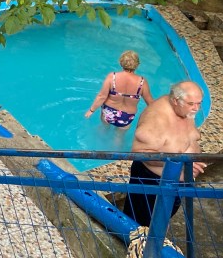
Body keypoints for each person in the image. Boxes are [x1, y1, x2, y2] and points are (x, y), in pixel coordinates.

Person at [122, 80, 207, 227]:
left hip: (173, 184)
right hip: (153, 183)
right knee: (140, 224)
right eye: (191, 104)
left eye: (199, 103)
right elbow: (138, 153)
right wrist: (180, 164)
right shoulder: (156, 119)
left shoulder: (184, 110)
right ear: (175, 100)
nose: (196, 108)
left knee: (158, 222)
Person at [84, 50, 155, 127]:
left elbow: (101, 96)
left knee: (103, 130)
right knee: (119, 137)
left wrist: (91, 110)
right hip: (127, 117)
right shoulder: (142, 82)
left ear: (121, 62)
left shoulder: (112, 77)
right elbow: (150, 103)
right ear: (137, 65)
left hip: (108, 112)